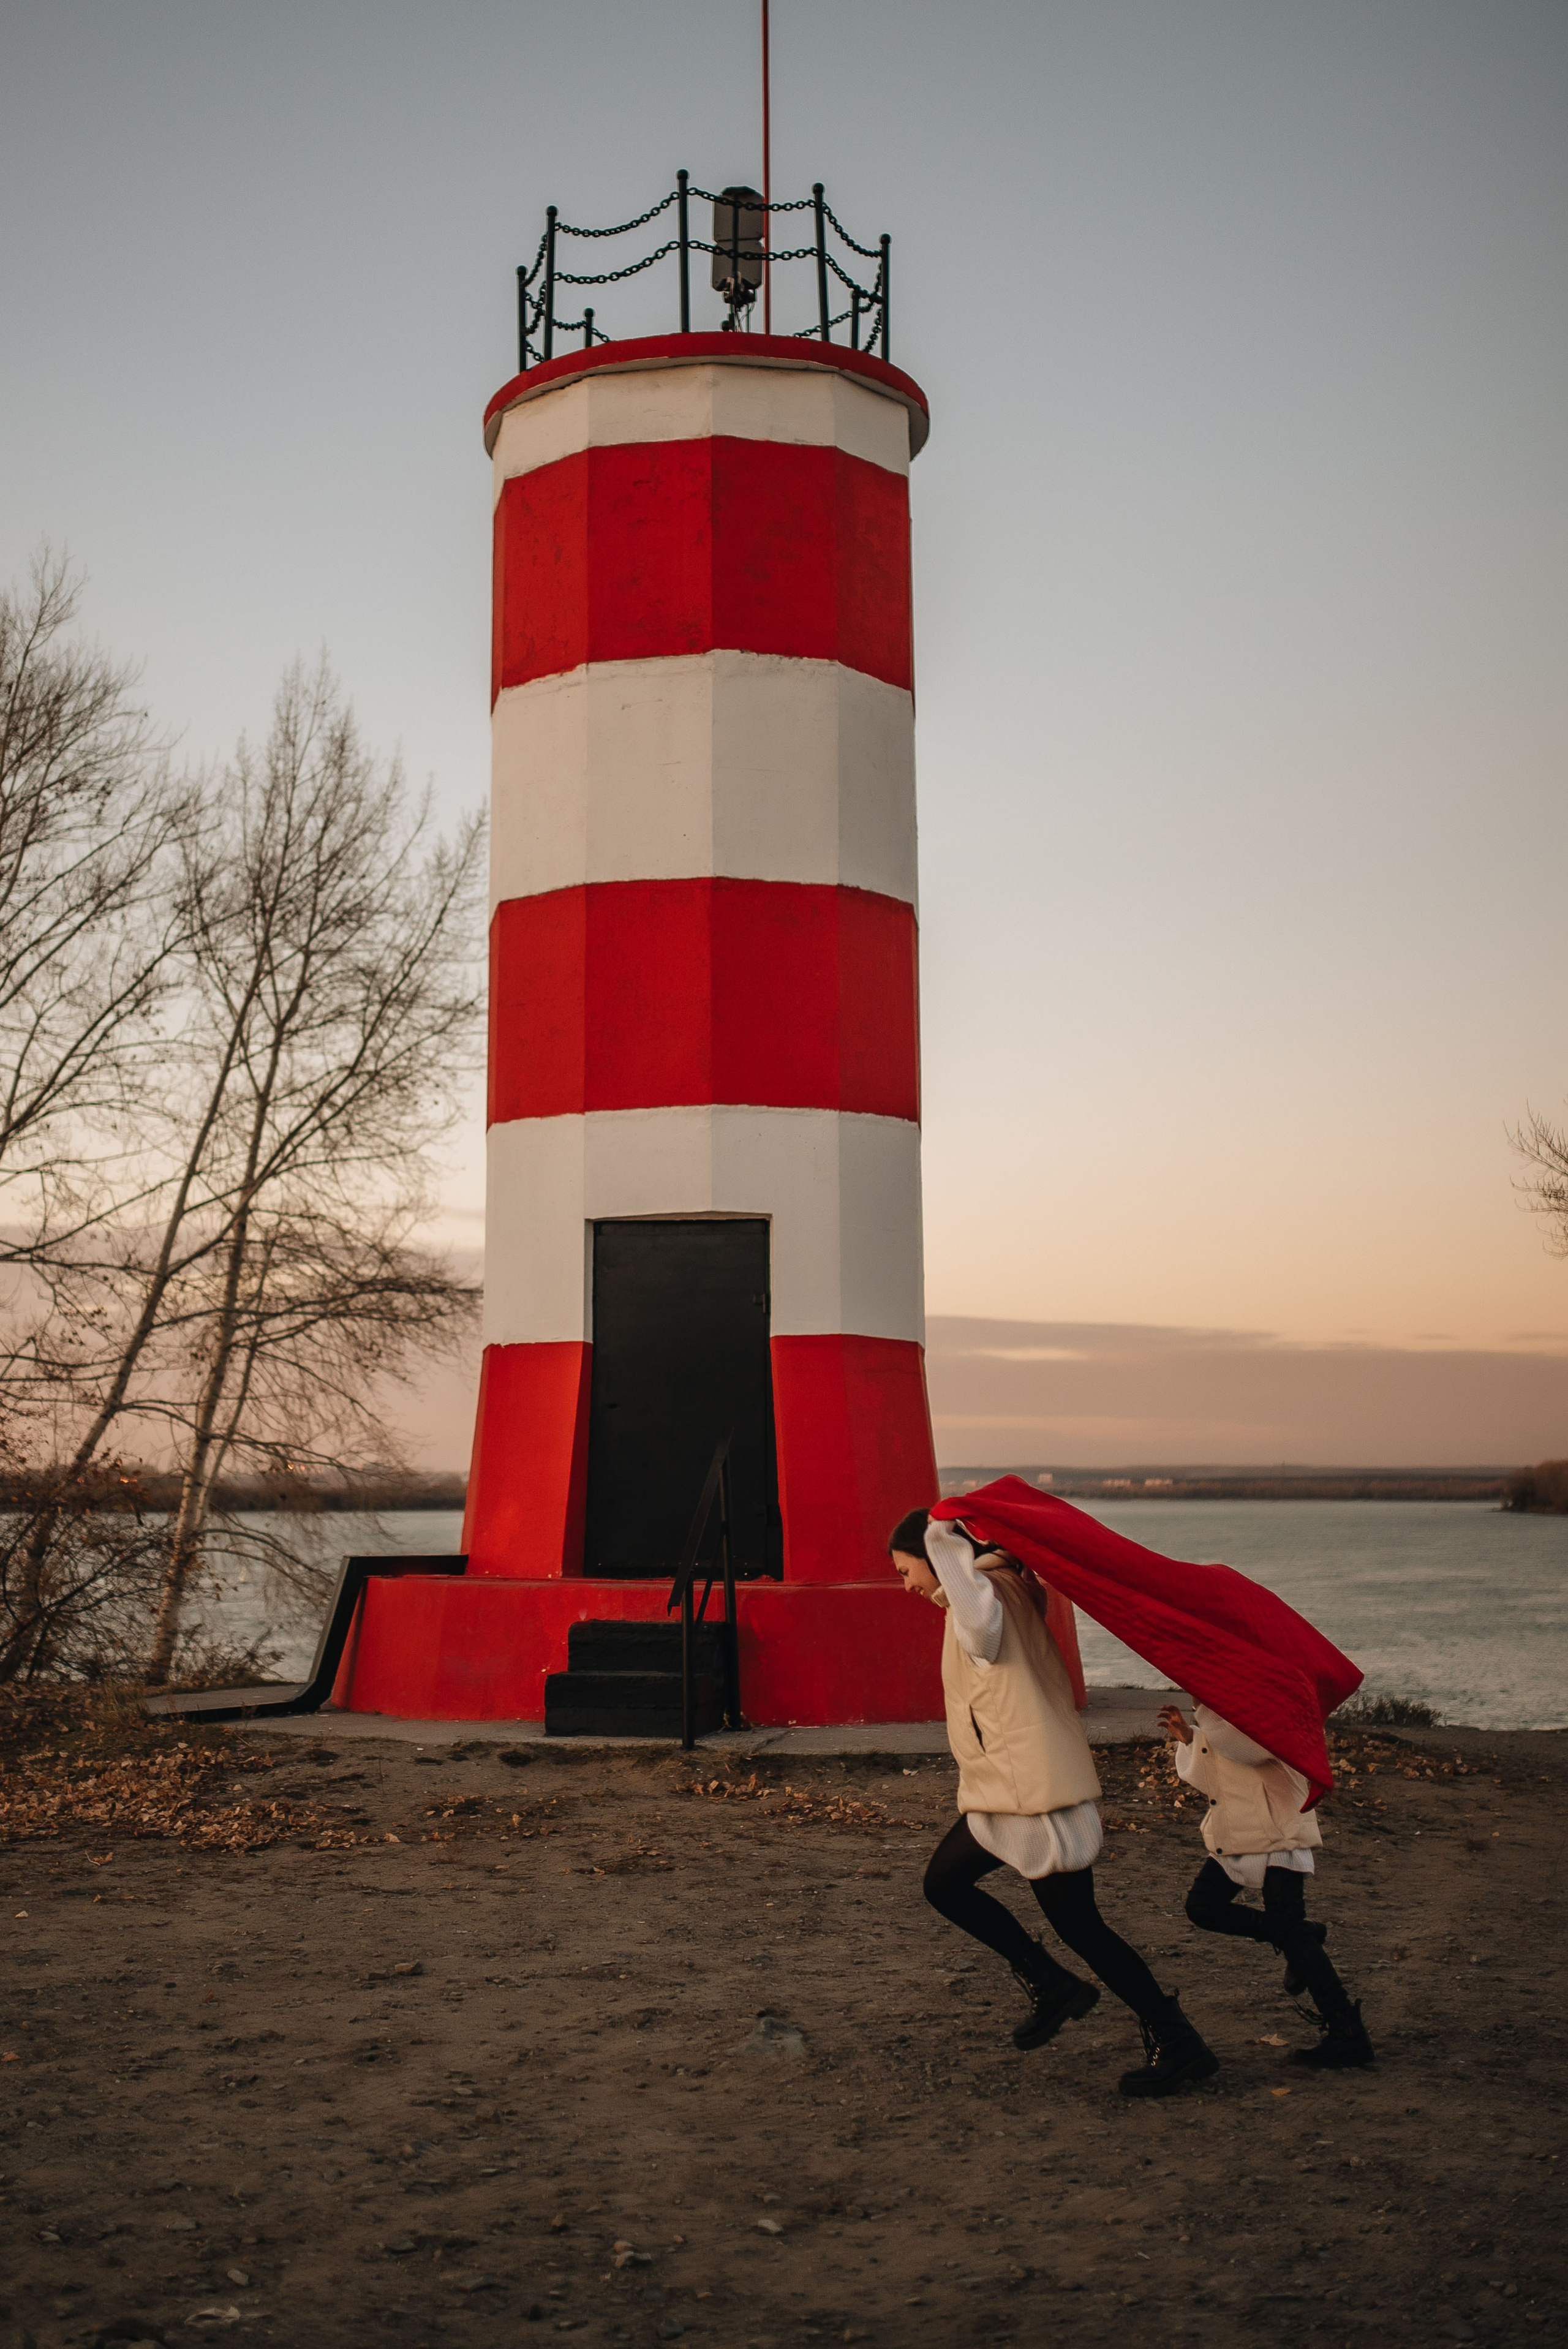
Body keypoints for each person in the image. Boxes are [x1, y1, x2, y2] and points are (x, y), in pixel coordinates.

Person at [890, 1504, 1219, 2100]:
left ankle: (1170, 2036)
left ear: (937, 1557)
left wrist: (941, 1532)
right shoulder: (1011, 1585)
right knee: (965, 1889)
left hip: (1030, 1791)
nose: (904, 1582)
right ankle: (1061, 1987)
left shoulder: (980, 1605)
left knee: (1073, 1925)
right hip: (1019, 1784)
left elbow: (982, 1631)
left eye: (904, 1567)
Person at [1159, 1700, 1374, 2068]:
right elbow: (1214, 1775)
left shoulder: (1264, 1703)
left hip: (1278, 1830)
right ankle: (1301, 1934)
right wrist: (1189, 1738)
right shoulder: (1219, 1716)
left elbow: (1249, 1749)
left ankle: (1348, 2032)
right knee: (1204, 1908)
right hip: (1239, 1829)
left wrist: (1205, 1714)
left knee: (1288, 1927)